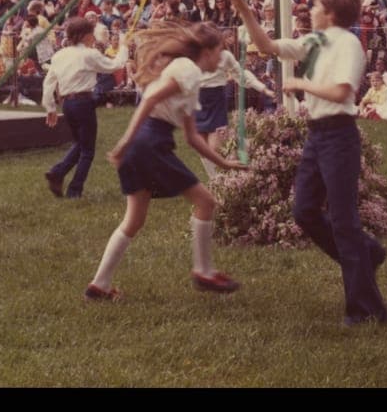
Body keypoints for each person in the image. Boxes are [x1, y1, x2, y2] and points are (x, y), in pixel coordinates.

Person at [223, 0, 387, 326]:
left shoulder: (349, 44)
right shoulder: (315, 41)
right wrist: (241, 3)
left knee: (344, 221)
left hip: (340, 135)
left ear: (330, 13)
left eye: (314, 6)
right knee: (304, 211)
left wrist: (301, 85)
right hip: (317, 135)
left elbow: (342, 90)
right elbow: (265, 45)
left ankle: (366, 309)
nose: (308, 10)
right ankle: (367, 253)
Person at [85, 22, 246, 300]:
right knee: (205, 202)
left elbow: (192, 137)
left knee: (134, 220)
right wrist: (124, 142)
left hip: (144, 144)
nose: (222, 60)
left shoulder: (189, 75)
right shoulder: (189, 70)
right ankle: (204, 271)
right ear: (206, 51)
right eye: (219, 52)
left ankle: (99, 285)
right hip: (150, 142)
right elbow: (149, 101)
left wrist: (224, 163)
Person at [42, 16, 128, 199]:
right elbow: (115, 65)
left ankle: (58, 173)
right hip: (83, 102)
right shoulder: (89, 54)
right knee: (88, 150)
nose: (94, 37)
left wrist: (50, 107)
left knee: (80, 144)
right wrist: (124, 46)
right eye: (91, 33)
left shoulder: (59, 54)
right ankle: (74, 189)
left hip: (67, 105)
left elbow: (48, 83)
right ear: (84, 35)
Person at [196, 34, 274, 179]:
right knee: (201, 149)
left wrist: (263, 89)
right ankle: (217, 182)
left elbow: (241, 75)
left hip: (216, 102)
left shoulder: (225, 56)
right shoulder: (193, 54)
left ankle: (226, 179)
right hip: (197, 103)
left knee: (215, 147)